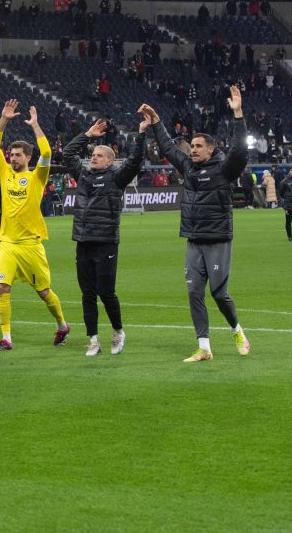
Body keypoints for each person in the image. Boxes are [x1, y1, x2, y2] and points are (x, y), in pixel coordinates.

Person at [145, 88, 251, 362]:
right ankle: (204, 347)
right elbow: (168, 147)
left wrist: (238, 113)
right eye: (191, 146)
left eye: (198, 146)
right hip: (193, 239)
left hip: (217, 238)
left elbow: (240, 149)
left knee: (218, 293)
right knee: (193, 291)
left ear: (211, 149)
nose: (192, 150)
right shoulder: (188, 167)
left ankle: (237, 330)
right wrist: (156, 121)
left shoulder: (225, 168)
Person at [0, 100, 70, 351]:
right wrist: (3, 118)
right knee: (2, 287)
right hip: (8, 244)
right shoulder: (5, 174)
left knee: (44, 292)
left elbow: (47, 153)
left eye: (18, 155)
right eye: (11, 154)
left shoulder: (37, 177)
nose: (12, 158)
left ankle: (62, 324)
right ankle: (6, 338)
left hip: (31, 245)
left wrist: (35, 126)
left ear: (27, 157)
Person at [60, 116, 147, 356]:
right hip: (83, 241)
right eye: (93, 154)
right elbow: (68, 153)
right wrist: (87, 135)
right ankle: (93, 340)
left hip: (106, 242)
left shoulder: (117, 178)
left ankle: (118, 331)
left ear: (110, 161)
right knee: (87, 293)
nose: (94, 157)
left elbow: (136, 160)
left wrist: (140, 134)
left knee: (106, 292)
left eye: (99, 155)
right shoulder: (84, 175)